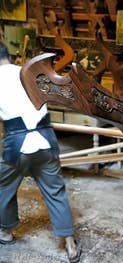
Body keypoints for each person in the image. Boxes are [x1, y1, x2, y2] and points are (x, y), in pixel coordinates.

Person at [0, 42, 81, 262]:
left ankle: (6, 232)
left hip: (17, 145)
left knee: (4, 187)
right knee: (55, 191)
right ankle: (70, 244)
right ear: (9, 56)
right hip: (46, 140)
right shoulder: (29, 73)